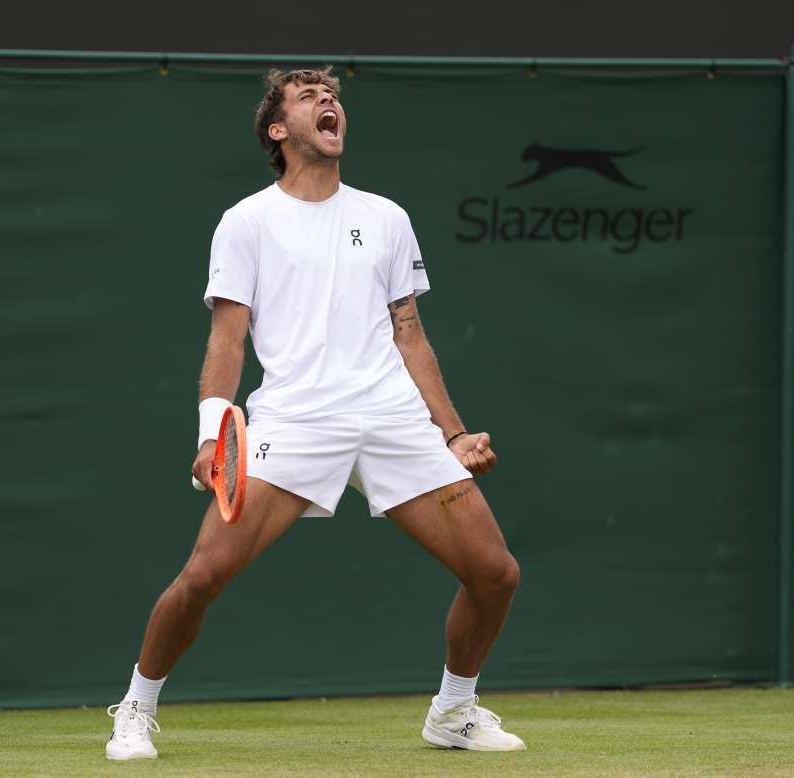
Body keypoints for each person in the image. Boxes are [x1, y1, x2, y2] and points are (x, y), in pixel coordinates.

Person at [106, 67, 524, 760]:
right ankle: (134, 707)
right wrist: (212, 436)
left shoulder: (386, 218)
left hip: (391, 417)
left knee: (495, 573)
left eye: (332, 95)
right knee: (204, 576)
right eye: (308, 96)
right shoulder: (247, 222)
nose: (329, 101)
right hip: (296, 422)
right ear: (278, 129)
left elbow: (410, 335)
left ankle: (454, 711)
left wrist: (452, 433)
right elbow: (228, 340)